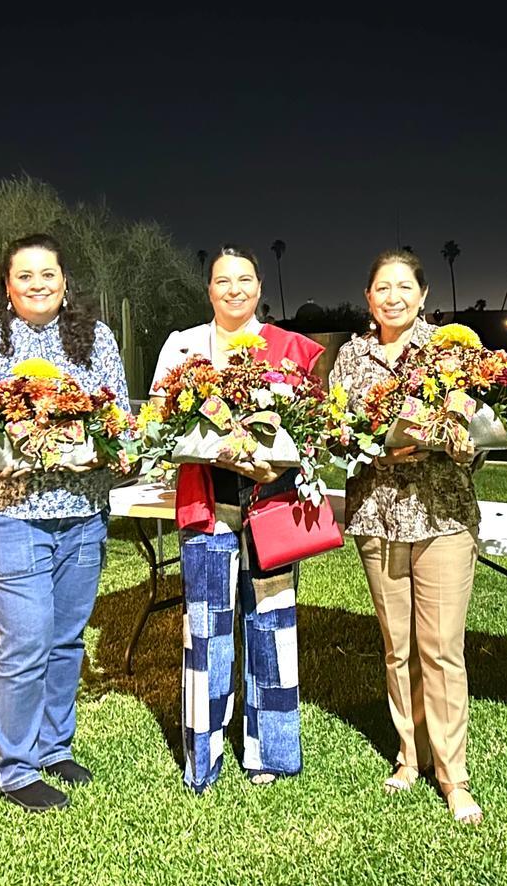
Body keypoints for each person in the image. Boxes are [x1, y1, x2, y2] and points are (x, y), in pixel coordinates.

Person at [0, 233, 130, 812]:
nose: (38, 284)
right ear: (7, 285)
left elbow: (120, 421)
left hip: (82, 515)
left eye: (49, 274)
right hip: (8, 515)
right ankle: (16, 767)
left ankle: (53, 746)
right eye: (25, 275)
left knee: (66, 638)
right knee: (27, 639)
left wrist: (99, 450)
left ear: (66, 282)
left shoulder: (96, 338)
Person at [150, 244, 323, 794]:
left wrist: (276, 461)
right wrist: (223, 453)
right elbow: (160, 423)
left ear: (259, 288)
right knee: (206, 629)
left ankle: (270, 752)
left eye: (244, 279)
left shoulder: (289, 349)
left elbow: (315, 428)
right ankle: (203, 757)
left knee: (271, 625)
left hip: (272, 506)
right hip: (208, 506)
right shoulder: (183, 348)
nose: (234, 289)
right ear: (209, 289)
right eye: (223, 280)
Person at [329, 249, 484, 824]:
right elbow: (337, 433)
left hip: (442, 517)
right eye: (382, 288)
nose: (392, 297)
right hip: (378, 516)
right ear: (368, 298)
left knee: (440, 648)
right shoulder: (351, 357)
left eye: (403, 287)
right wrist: (371, 448)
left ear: (422, 296)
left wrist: (457, 444)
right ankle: (409, 756)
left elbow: (478, 434)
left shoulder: (451, 351)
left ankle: (453, 774)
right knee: (397, 646)